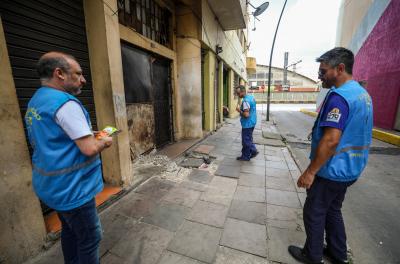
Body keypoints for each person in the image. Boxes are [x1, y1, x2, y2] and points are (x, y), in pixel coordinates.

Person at [25, 52, 113, 264]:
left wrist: (85, 133)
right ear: (60, 74)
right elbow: (90, 149)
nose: (83, 79)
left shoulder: (37, 99)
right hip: (73, 188)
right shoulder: (66, 104)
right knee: (91, 238)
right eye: (78, 74)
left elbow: (54, 136)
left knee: (70, 231)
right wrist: (105, 141)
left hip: (50, 186)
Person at [288, 47, 373, 264]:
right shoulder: (362, 94)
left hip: (331, 169)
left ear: (340, 69)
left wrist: (310, 171)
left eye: (323, 72)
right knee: (333, 210)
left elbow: (331, 140)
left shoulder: (339, 97)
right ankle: (337, 253)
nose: (320, 77)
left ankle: (312, 255)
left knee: (314, 212)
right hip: (351, 168)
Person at [235, 85, 259, 161]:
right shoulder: (251, 97)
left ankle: (253, 151)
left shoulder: (245, 101)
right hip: (252, 122)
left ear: (242, 92)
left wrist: (239, 111)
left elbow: (246, 115)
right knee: (248, 139)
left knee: (246, 141)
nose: (237, 95)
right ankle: (245, 156)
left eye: (238, 93)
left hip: (247, 124)